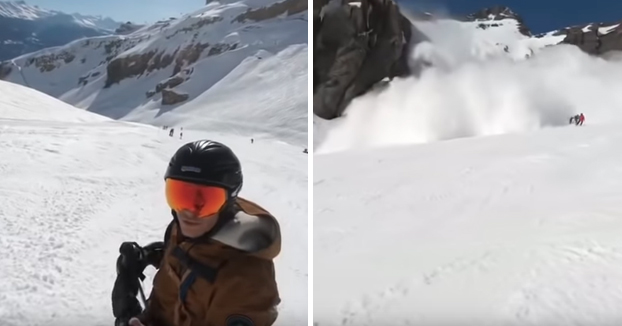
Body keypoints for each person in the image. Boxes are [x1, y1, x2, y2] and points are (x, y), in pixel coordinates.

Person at [112, 140, 282, 326]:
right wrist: (150, 256)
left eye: (206, 200)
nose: (188, 212)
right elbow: (190, 262)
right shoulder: (186, 228)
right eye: (179, 196)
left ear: (228, 202)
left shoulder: (246, 281)